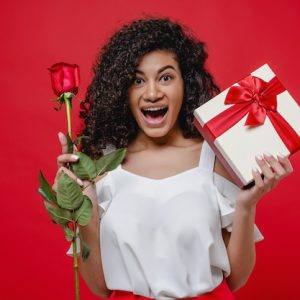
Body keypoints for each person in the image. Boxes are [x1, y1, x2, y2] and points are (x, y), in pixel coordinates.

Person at [53, 18, 293, 299]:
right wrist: (83, 210)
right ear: (122, 91)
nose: (152, 93)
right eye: (138, 80)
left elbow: (237, 279)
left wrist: (245, 206)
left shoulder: (214, 158)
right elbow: (100, 288)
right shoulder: (101, 167)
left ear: (185, 84)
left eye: (166, 77)